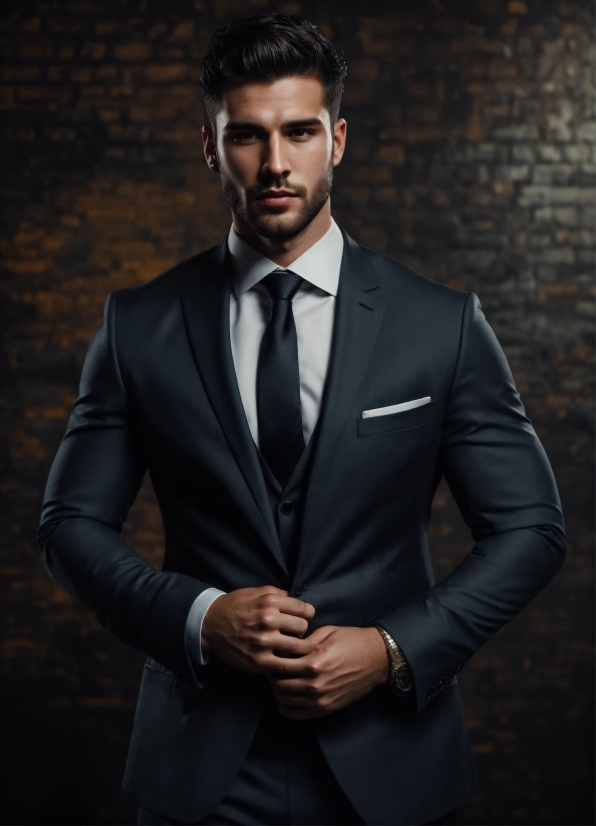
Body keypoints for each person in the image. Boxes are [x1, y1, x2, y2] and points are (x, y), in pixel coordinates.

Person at [38, 12, 566, 826]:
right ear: (212, 146)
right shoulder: (138, 324)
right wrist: (200, 616)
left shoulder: (442, 323)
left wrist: (391, 650)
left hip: (392, 760)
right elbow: (69, 523)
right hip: (200, 767)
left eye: (301, 132)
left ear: (339, 140)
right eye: (247, 135)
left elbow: (531, 528)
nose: (276, 163)